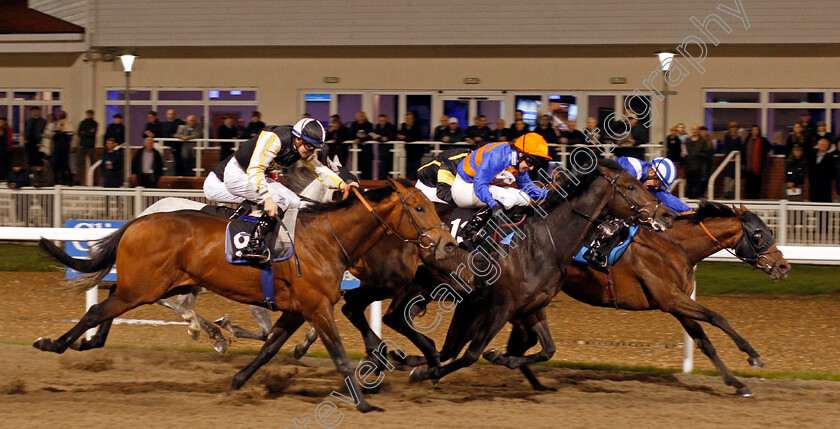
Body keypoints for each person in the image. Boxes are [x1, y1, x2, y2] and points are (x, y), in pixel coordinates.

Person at [203, 118, 355, 261]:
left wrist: (343, 185)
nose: (311, 151)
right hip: (238, 173)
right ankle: (252, 245)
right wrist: (267, 198)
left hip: (253, 175)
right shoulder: (275, 138)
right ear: (298, 138)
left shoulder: (303, 148)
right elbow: (256, 168)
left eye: (314, 148)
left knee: (294, 201)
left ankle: (284, 240)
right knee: (278, 199)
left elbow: (319, 169)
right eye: (309, 146)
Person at [583, 156, 691, 269]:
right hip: (589, 188)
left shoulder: (647, 176)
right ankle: (595, 250)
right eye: (657, 181)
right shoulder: (631, 168)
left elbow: (664, 196)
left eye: (660, 184)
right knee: (627, 217)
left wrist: (688, 211)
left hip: (600, 194)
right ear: (652, 171)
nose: (656, 186)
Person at [451, 132, 550, 225]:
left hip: (480, 188)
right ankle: (473, 227)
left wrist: (549, 193)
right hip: (464, 187)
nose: (531, 167)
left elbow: (528, 187)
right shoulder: (498, 155)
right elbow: (479, 183)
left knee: (525, 199)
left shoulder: (517, 162)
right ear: (521, 153)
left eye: (535, 164)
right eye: (530, 162)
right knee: (509, 198)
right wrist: (492, 203)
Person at [742, 125, 770, 199]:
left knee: (757, 183)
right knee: (748, 183)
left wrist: (763, 155)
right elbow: (743, 150)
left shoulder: (762, 140)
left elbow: (769, 147)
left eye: (756, 130)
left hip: (757, 166)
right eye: (753, 130)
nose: (755, 132)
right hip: (748, 166)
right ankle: (748, 197)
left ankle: (756, 197)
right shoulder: (748, 139)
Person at [686, 125, 712, 199]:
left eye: (696, 129)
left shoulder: (702, 141)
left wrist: (697, 154)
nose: (694, 131)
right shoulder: (688, 140)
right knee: (689, 187)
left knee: (699, 187)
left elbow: (706, 154)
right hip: (689, 167)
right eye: (693, 129)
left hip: (698, 167)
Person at [397, 112, 425, 180]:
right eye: (406, 119)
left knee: (415, 168)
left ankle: (415, 181)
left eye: (409, 119)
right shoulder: (403, 125)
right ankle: (409, 181)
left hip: (416, 151)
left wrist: (405, 137)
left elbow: (415, 136)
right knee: (408, 168)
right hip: (408, 151)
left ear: (413, 119)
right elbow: (399, 134)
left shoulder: (417, 126)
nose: (407, 120)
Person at [809, 138, 837, 202]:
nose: (823, 146)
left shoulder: (830, 157)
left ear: (827, 146)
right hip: (814, 185)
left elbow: (833, 173)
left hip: (825, 186)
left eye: (825, 145)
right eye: (821, 144)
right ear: (818, 145)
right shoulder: (812, 156)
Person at [370, 114, 396, 179]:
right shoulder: (377, 127)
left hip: (389, 150)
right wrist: (381, 138)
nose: (382, 122)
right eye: (381, 121)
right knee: (382, 168)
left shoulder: (390, 126)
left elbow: (389, 136)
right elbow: (374, 136)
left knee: (389, 167)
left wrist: (382, 138)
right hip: (381, 151)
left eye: (383, 121)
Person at [51, 111, 74, 186]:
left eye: (62, 116)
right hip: (57, 148)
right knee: (55, 164)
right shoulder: (56, 124)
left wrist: (63, 131)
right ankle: (57, 180)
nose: (61, 118)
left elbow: (69, 138)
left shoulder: (69, 124)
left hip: (65, 148)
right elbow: (54, 137)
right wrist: (58, 131)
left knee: (65, 165)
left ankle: (68, 181)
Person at [350, 112, 374, 179]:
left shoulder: (369, 125)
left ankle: (369, 182)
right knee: (358, 167)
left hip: (367, 151)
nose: (361, 118)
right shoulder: (354, 125)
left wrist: (360, 139)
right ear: (357, 117)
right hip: (357, 151)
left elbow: (370, 136)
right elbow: (350, 135)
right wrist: (356, 139)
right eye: (360, 116)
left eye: (363, 116)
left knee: (368, 168)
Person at [161, 109, 185, 175]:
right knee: (168, 162)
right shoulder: (163, 124)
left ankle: (179, 174)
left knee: (179, 161)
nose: (171, 115)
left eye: (172, 114)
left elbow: (183, 131)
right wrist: (172, 136)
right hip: (168, 145)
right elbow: (163, 134)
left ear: (175, 115)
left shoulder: (179, 122)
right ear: (167, 115)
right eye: (169, 114)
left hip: (178, 146)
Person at [722, 122, 743, 199]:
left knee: (734, 177)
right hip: (728, 160)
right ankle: (727, 192)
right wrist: (730, 157)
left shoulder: (738, 138)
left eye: (735, 128)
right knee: (728, 177)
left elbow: (740, 148)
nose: (733, 130)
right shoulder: (727, 137)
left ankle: (731, 192)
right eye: (732, 128)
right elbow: (726, 148)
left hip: (736, 160)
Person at [77, 109, 98, 175]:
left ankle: (93, 180)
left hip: (90, 145)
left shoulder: (94, 123)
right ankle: (78, 180)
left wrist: (84, 133)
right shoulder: (82, 123)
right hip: (82, 144)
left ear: (92, 115)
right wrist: (88, 132)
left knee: (92, 163)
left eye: (90, 114)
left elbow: (92, 134)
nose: (88, 116)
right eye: (88, 114)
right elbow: (79, 133)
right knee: (79, 162)